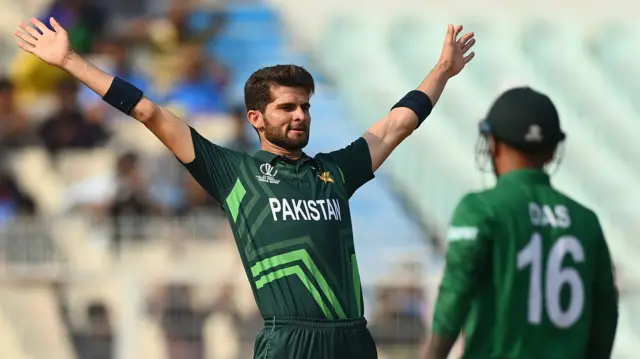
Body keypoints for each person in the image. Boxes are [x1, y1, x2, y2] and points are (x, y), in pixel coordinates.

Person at [14, 16, 476, 359]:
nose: (300, 116)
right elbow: (149, 113)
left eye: (306, 107)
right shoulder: (232, 172)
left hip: (354, 339)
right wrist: (71, 61)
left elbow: (398, 125)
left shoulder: (335, 171)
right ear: (256, 118)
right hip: (289, 341)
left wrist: (442, 70)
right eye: (287, 107)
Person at [425, 88, 619, 359]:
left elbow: (454, 296)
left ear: (493, 144)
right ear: (552, 151)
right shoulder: (586, 221)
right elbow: (605, 314)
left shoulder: (480, 210)